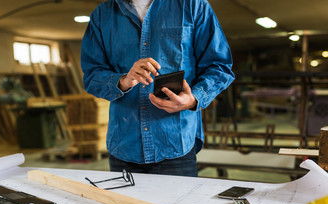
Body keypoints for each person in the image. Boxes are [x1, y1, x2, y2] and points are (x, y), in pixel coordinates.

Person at [81, 0, 235, 177]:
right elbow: (92, 75)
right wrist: (124, 80)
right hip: (124, 146)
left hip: (175, 145)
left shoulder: (192, 6)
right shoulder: (102, 14)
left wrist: (193, 98)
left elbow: (219, 66)